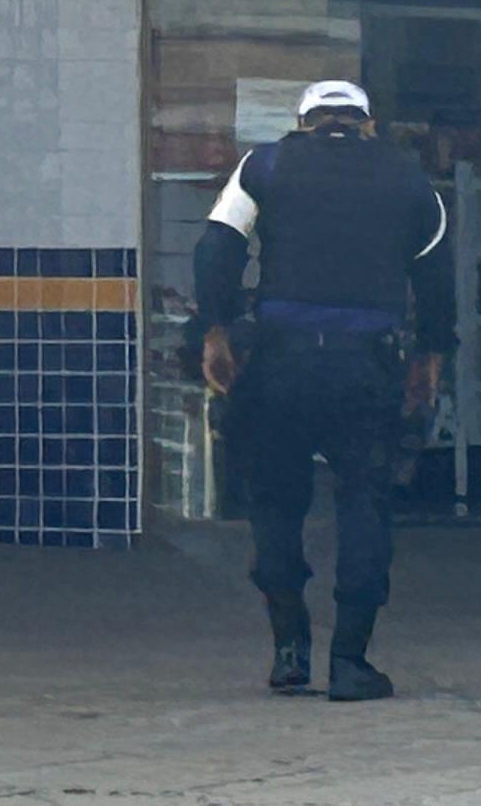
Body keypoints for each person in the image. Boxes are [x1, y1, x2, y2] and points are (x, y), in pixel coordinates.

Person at [191, 78, 454, 701]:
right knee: (365, 502)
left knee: (276, 501)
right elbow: (437, 279)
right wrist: (430, 355)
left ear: (304, 121)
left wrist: (216, 328)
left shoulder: (268, 163)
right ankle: (350, 662)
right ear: (367, 123)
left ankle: (288, 649)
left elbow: (215, 251)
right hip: (367, 368)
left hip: (280, 366)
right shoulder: (408, 178)